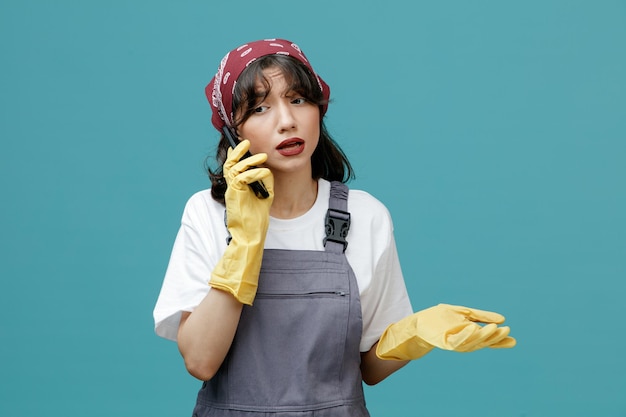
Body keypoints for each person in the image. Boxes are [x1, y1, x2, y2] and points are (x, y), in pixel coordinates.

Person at [153, 38, 516, 417]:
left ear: (318, 109)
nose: (287, 121)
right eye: (259, 108)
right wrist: (245, 239)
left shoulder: (366, 216)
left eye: (298, 100)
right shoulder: (208, 214)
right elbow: (200, 361)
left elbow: (368, 370)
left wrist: (416, 333)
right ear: (233, 132)